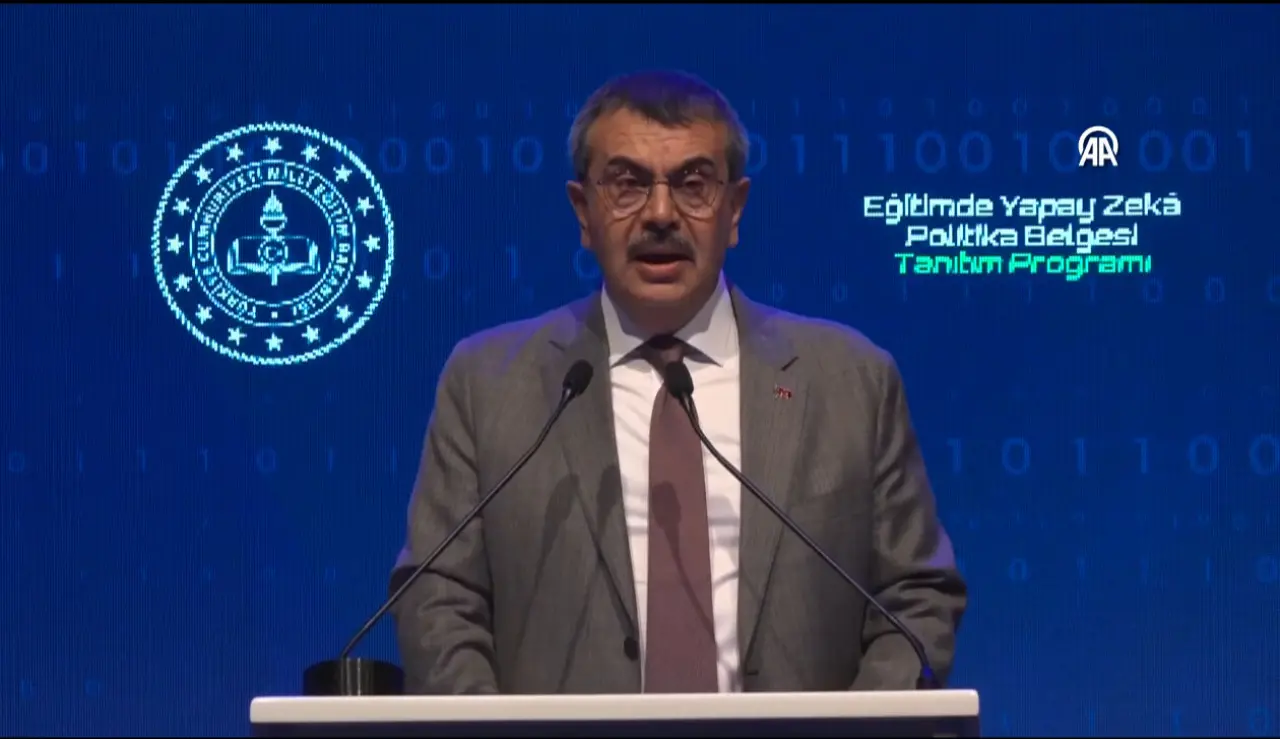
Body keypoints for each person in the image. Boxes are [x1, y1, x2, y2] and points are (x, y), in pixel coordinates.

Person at [390, 69, 967, 695]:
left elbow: (915, 596)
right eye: (627, 185)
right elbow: (439, 597)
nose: (661, 214)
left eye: (693, 185)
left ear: (735, 209)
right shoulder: (489, 384)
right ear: (583, 211)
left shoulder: (850, 381)